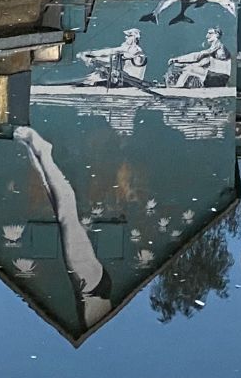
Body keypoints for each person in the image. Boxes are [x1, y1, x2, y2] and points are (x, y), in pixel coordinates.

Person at [13, 126, 113, 329]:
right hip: (91, 284)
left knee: (60, 209)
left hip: (90, 287)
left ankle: (35, 151)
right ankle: (42, 152)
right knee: (67, 215)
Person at [76, 28, 148, 88]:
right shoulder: (127, 50)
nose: (126, 37)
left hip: (131, 82)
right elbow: (110, 52)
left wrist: (92, 57)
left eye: (129, 36)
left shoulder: (134, 51)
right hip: (124, 80)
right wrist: (92, 55)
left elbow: (112, 54)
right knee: (103, 71)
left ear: (135, 38)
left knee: (102, 72)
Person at [166, 28, 232, 88]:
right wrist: (182, 64)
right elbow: (199, 63)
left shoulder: (218, 45)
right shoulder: (213, 52)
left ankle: (178, 87)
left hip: (219, 77)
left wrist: (177, 59)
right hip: (219, 78)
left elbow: (197, 56)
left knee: (189, 69)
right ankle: (179, 86)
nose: (207, 36)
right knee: (188, 68)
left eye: (210, 33)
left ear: (217, 35)